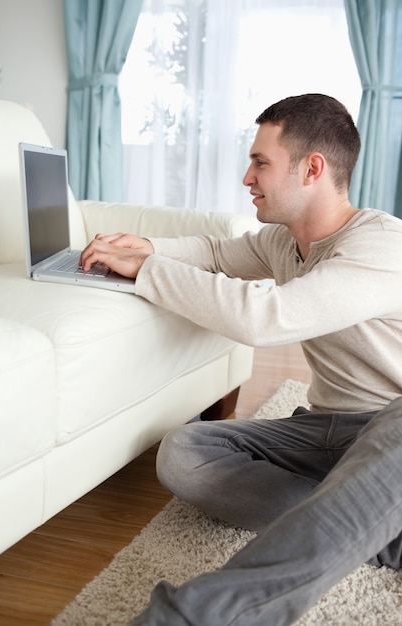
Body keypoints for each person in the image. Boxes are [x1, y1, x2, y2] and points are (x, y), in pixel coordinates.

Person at [80, 94, 402, 625]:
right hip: (326, 430)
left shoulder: (379, 245)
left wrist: (145, 271)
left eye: (261, 162)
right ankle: (378, 525)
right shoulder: (283, 242)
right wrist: (142, 246)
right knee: (185, 452)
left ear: (312, 168)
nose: (247, 177)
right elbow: (213, 254)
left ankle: (196, 617)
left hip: (394, 427)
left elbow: (265, 317)